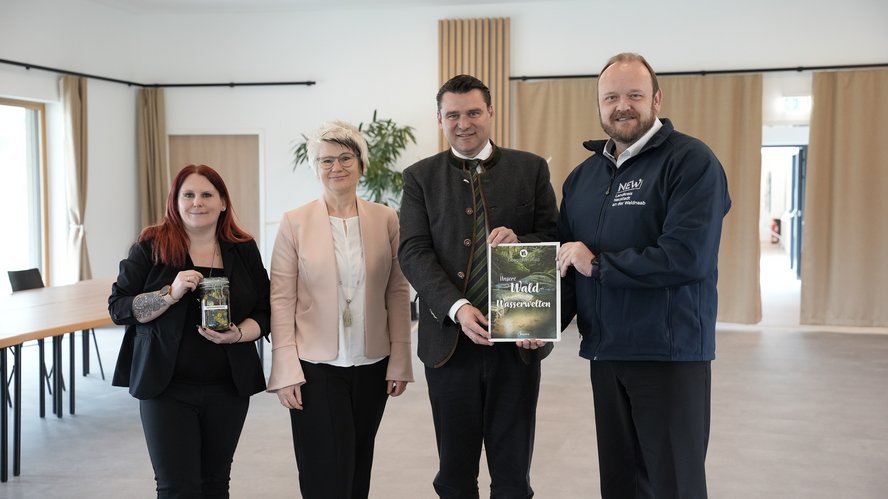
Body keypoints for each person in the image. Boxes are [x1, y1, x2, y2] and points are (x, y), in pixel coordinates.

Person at [556, 52, 732, 499]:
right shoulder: (582, 178)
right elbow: (567, 265)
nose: (622, 106)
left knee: (672, 484)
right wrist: (538, 325)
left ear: (656, 99)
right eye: (611, 97)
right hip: (605, 352)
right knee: (620, 484)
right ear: (599, 105)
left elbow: (686, 256)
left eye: (634, 95)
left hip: (667, 353)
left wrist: (599, 264)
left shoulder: (691, 161)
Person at [399, 74, 558, 498]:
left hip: (518, 342)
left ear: (491, 112)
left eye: (473, 112)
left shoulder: (530, 168)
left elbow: (553, 237)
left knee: (513, 478)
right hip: (449, 345)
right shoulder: (419, 177)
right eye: (452, 115)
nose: (463, 123)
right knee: (454, 476)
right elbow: (413, 251)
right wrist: (456, 307)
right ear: (439, 119)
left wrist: (521, 241)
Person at [267, 121, 413, 499]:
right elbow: (281, 298)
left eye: (346, 157)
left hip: (372, 363)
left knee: (358, 467)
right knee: (325, 473)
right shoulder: (294, 222)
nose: (337, 167)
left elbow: (397, 291)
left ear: (362, 164)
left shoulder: (385, 218)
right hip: (314, 366)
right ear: (315, 167)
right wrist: (284, 369)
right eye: (326, 160)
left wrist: (400, 359)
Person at [109, 164, 270, 498]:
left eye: (207, 194)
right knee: (176, 488)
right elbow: (120, 308)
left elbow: (265, 310)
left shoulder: (243, 248)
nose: (198, 202)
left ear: (223, 202)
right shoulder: (150, 245)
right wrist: (169, 294)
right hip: (166, 388)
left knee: (215, 484)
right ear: (176, 201)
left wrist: (239, 334)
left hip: (228, 388)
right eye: (189, 194)